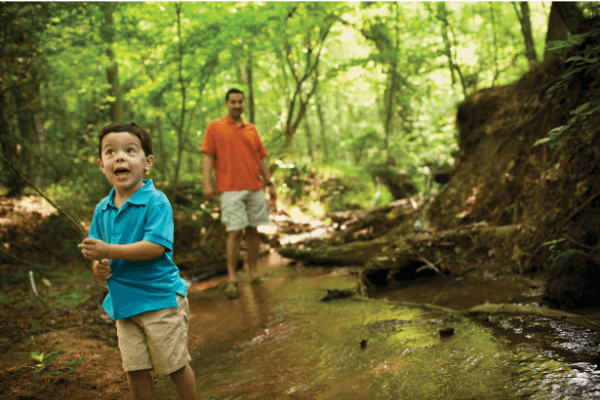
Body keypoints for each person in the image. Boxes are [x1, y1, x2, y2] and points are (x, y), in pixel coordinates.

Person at [78, 122, 197, 400]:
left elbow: (155, 247)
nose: (120, 157)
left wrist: (108, 249)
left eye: (130, 151)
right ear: (101, 164)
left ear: (147, 162)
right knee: (135, 370)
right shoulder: (102, 209)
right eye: (111, 152)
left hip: (160, 300)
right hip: (124, 304)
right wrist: (99, 265)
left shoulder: (156, 201)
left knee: (175, 366)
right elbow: (99, 255)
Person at [201, 88, 276, 300]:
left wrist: (270, 183)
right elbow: (208, 157)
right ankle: (232, 278)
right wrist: (207, 184)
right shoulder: (215, 127)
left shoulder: (251, 129)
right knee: (235, 232)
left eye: (240, 102)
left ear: (244, 103)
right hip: (229, 189)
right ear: (226, 103)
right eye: (233, 102)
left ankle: (253, 274)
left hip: (254, 187)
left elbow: (261, 158)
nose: (237, 105)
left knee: (253, 230)